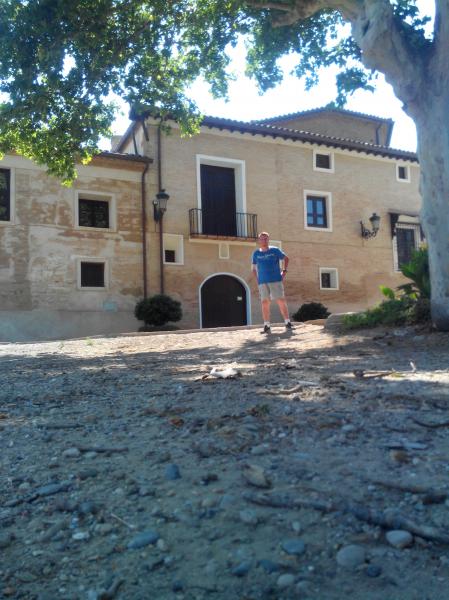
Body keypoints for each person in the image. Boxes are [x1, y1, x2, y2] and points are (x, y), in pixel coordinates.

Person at [251, 232, 292, 333]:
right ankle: (266, 325)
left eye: (265, 239)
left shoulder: (275, 250)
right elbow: (253, 269)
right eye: (262, 239)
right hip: (262, 282)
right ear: (259, 241)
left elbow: (286, 259)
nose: (264, 241)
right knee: (264, 302)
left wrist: (284, 271)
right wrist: (258, 280)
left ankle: (287, 322)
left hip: (275, 280)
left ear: (268, 240)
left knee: (280, 300)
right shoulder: (256, 253)